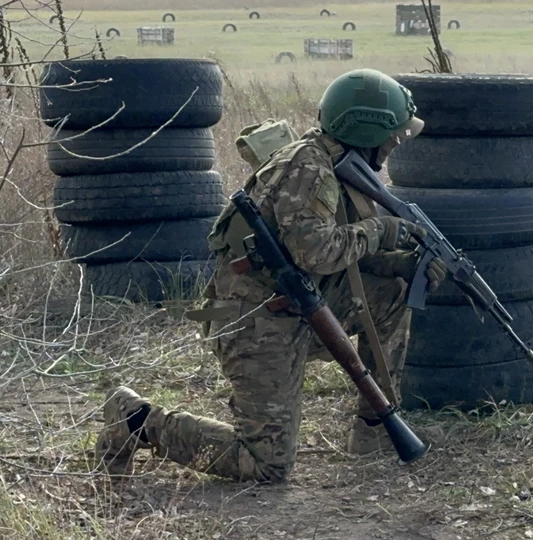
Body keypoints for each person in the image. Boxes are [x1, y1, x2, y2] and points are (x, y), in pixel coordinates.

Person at [94, 68, 447, 483]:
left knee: (391, 295)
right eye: (391, 136)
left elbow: (343, 262)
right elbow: (315, 251)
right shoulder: (309, 170)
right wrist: (380, 230)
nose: (392, 146)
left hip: (295, 305)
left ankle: (374, 430)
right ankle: (135, 419)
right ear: (367, 132)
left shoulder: (335, 165)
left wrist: (402, 264)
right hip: (253, 322)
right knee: (265, 464)